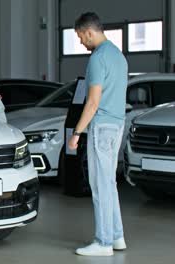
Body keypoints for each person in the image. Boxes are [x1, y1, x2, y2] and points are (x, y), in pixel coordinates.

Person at [68, 12, 128, 257]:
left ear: (89, 32)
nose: (81, 42)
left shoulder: (97, 58)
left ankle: (103, 242)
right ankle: (116, 236)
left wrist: (77, 132)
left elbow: (92, 103)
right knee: (109, 183)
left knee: (100, 186)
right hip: (117, 125)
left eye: (81, 37)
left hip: (101, 127)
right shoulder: (119, 56)